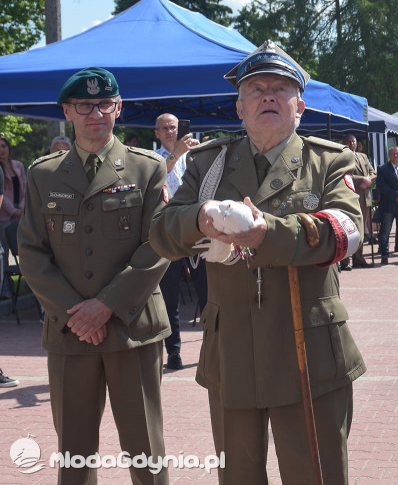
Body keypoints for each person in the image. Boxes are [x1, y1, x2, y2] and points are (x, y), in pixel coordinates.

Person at [149, 40, 365, 485]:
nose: (268, 96)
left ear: (299, 106)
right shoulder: (207, 164)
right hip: (233, 351)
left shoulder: (328, 160)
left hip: (308, 351)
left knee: (316, 475)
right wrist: (199, 219)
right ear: (240, 107)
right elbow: (161, 232)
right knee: (239, 476)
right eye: (256, 90)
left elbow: (348, 233)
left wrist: (271, 234)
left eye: (281, 89)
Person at [19, 67, 171, 485]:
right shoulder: (44, 174)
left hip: (132, 329)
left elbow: (158, 246)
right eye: (84, 105)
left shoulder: (147, 168)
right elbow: (31, 251)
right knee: (74, 453)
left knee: (146, 450)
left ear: (118, 108)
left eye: (105, 104)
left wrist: (105, 306)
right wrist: (76, 313)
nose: (96, 113)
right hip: (70, 331)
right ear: (67, 111)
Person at [152, 113, 203, 370]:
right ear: (157, 133)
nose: (170, 131)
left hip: (196, 230)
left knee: (207, 293)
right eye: (164, 128)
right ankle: (173, 352)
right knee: (169, 296)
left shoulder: (196, 155)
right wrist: (177, 153)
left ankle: (212, 347)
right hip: (170, 232)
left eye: (173, 127)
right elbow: (157, 176)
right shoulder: (153, 159)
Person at [341, 134, 376, 268]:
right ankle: (345, 260)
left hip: (365, 198)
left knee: (360, 230)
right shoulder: (341, 156)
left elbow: (373, 173)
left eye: (354, 141)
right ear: (344, 143)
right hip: (351, 197)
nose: (352, 144)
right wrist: (362, 179)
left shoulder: (363, 156)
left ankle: (358, 258)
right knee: (349, 229)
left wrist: (368, 181)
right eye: (349, 142)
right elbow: (344, 174)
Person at [0, 134, 25, 298]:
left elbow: (25, 187)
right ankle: (5, 289)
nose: (1, 150)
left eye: (3, 146)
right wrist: (13, 211)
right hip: (4, 215)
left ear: (8, 148)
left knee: (24, 248)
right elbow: (1, 195)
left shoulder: (18, 165)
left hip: (21, 212)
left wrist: (22, 207)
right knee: (4, 253)